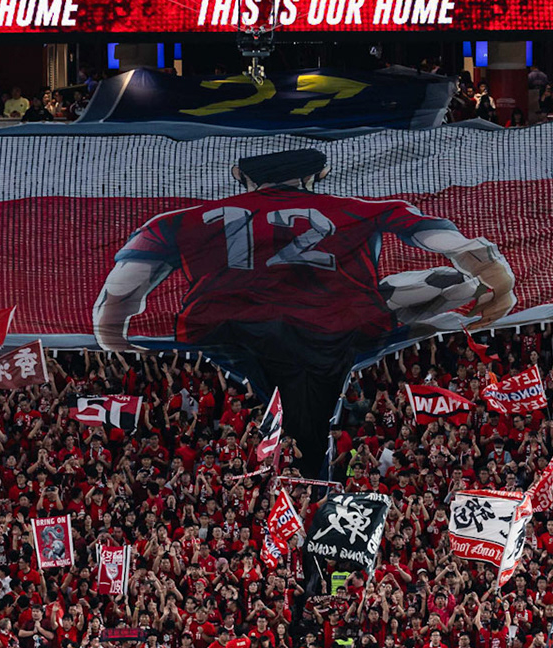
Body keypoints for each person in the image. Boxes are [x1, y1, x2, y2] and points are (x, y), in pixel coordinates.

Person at [93, 146, 516, 474]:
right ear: (316, 176)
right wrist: (493, 274)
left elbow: (121, 291)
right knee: (411, 295)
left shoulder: (179, 220)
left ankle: (296, 472)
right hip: (336, 328)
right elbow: (449, 242)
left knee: (290, 418)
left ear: (241, 177)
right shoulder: (360, 208)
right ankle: (444, 308)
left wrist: (116, 338)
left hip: (227, 330)